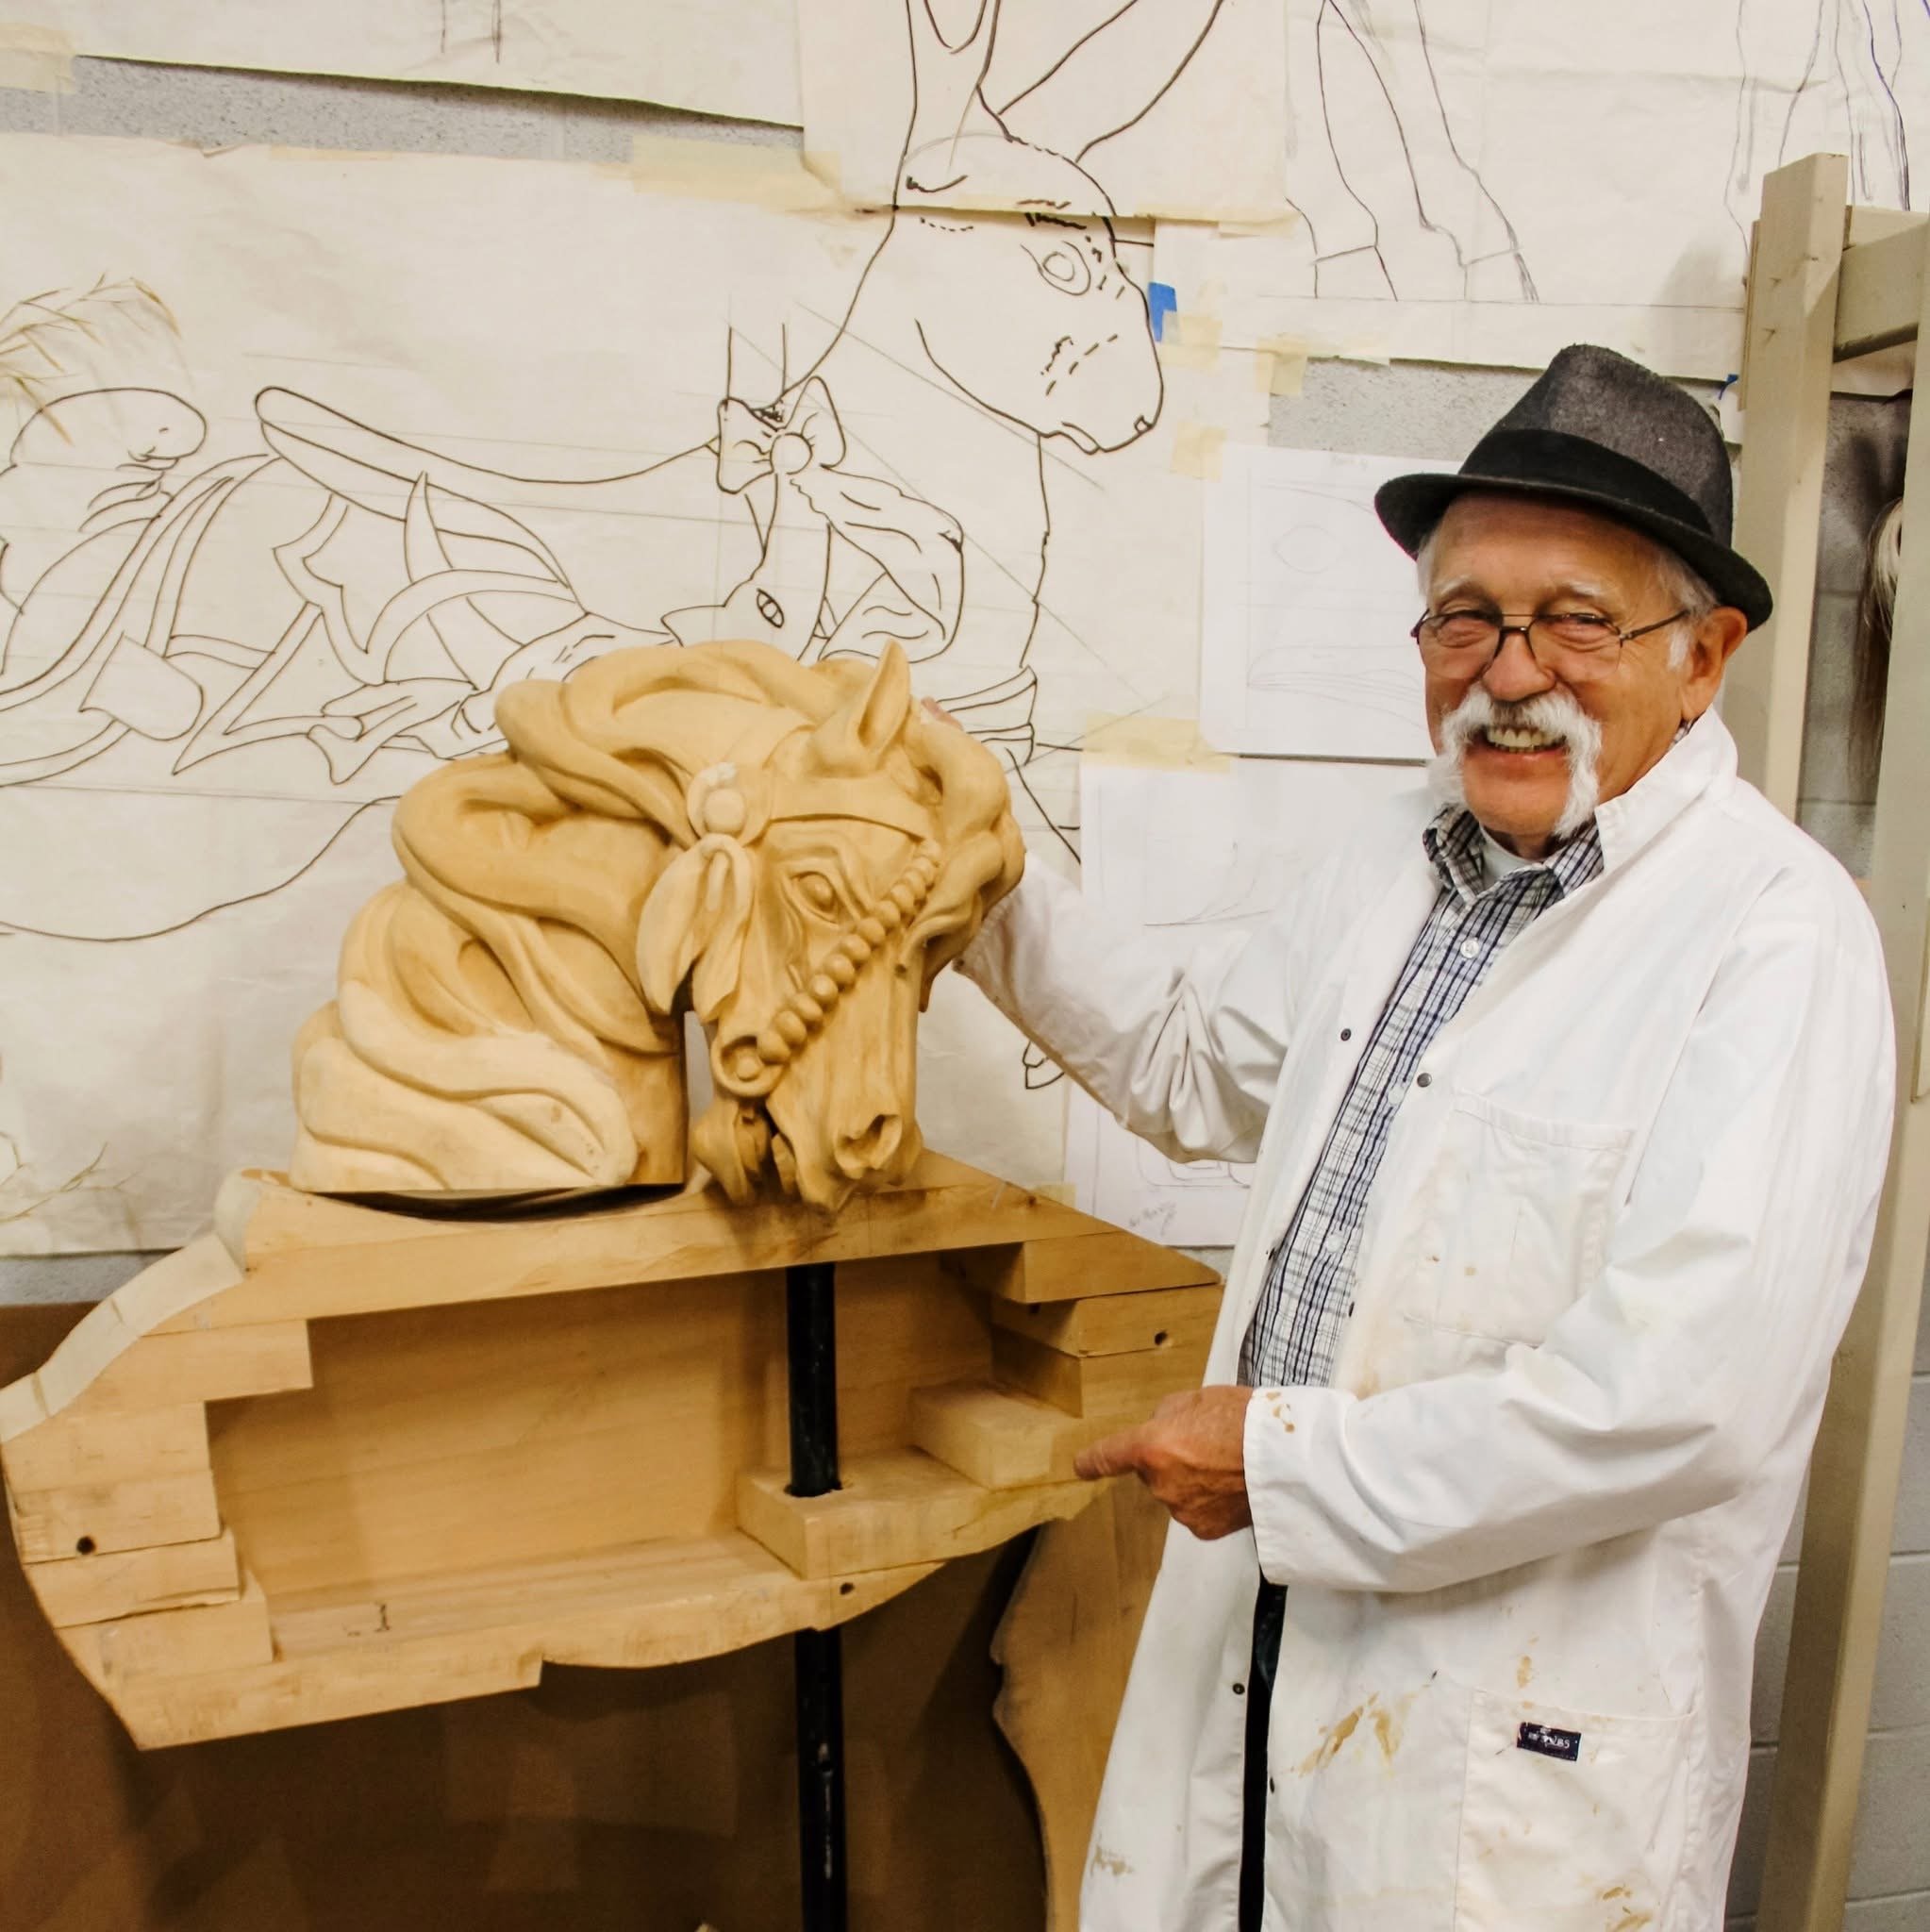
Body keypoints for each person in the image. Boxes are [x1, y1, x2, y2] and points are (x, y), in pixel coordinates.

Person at [957, 344, 1895, 1931]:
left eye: (1575, 621)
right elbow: (1192, 1068)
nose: (1507, 673)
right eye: (1463, 618)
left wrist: (1278, 1464)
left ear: (1703, 656)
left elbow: (1679, 1401)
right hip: (1270, 1653)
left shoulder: (1774, 935)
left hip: (1506, 1761)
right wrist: (969, 865)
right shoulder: (1397, 856)